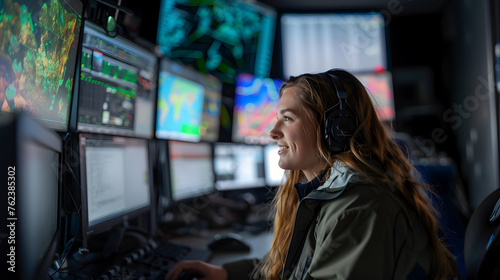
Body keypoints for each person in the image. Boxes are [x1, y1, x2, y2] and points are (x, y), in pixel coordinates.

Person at [165, 69, 460, 280]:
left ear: (335, 128)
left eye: (288, 118)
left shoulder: (359, 207)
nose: (273, 132)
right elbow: (297, 265)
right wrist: (226, 273)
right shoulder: (334, 193)